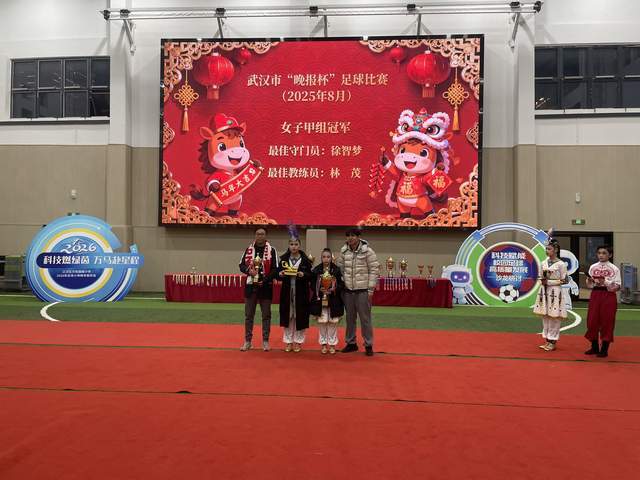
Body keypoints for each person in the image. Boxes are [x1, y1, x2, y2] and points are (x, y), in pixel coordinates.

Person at [336, 228, 380, 356]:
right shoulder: (343, 251)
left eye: (353, 235)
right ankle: (351, 343)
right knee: (350, 319)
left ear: (359, 237)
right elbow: (340, 270)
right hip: (348, 292)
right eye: (348, 236)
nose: (350, 238)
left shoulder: (368, 251)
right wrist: (342, 284)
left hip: (363, 291)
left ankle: (368, 344)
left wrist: (370, 289)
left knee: (365, 319)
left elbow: (374, 270)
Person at [238, 227, 278, 352]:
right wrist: (248, 271)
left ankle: (265, 341)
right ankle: (247, 341)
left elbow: (275, 269)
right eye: (258, 234)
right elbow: (241, 265)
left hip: (266, 287)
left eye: (262, 234)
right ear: (255, 235)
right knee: (249, 315)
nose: (260, 236)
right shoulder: (249, 249)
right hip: (251, 286)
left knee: (266, 315)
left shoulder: (272, 250)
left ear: (266, 236)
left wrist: (265, 280)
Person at [276, 226, 313, 352]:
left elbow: (311, 275)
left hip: (301, 292)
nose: (294, 246)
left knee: (299, 316)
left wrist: (304, 274)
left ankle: (298, 342)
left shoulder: (306, 260)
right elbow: (277, 274)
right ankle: (288, 342)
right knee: (289, 316)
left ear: (300, 246)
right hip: (287, 292)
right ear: (288, 245)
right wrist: (280, 274)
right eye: (291, 244)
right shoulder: (283, 259)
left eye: (296, 244)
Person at [584, 245, 621, 358]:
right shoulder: (593, 267)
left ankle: (604, 349)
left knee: (607, 321)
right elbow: (589, 285)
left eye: (604, 253)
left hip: (608, 295)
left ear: (610, 255)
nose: (601, 255)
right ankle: (594, 347)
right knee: (592, 321)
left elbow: (618, 286)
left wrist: (605, 282)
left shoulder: (614, 269)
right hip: (595, 295)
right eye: (599, 253)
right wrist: (590, 281)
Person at [533, 237, 568, 351]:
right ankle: (547, 340)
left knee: (554, 316)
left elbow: (565, 280)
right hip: (544, 291)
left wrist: (549, 282)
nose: (547, 251)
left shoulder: (561, 264)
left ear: (556, 250)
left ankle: (553, 341)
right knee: (546, 316)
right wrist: (542, 280)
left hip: (555, 291)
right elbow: (539, 276)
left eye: (549, 249)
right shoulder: (543, 262)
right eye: (546, 249)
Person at [310, 248, 345, 355]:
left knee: (333, 322)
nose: (326, 259)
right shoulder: (316, 270)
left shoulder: (337, 270)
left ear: (331, 258)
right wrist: (319, 289)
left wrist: (333, 289)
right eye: (324, 257)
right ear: (321, 258)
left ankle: (332, 344)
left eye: (328, 257)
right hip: (320, 300)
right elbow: (312, 285)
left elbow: (341, 285)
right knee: (322, 322)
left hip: (334, 300)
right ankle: (324, 344)